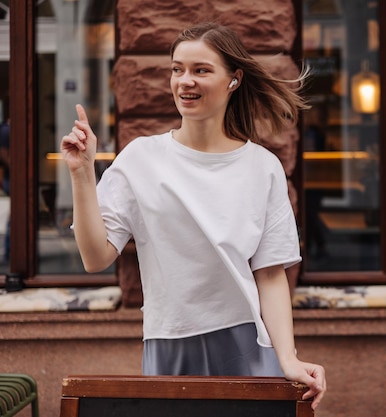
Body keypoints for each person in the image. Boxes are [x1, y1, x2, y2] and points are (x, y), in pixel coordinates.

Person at [60, 22, 326, 409]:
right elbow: (95, 257)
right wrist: (82, 174)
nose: (185, 81)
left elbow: (270, 274)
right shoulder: (140, 158)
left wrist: (288, 357)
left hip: (245, 344)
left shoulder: (263, 167)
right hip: (169, 341)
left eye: (201, 70)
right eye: (177, 69)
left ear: (233, 79)